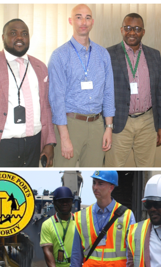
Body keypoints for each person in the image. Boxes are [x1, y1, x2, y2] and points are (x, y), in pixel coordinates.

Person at [0, 19, 56, 167]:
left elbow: (45, 107)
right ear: (3, 37)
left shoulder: (40, 66)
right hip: (1, 145)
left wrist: (49, 142)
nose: (20, 37)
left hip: (34, 143)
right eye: (13, 33)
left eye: (24, 34)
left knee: (27, 186)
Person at [48, 4, 115, 167]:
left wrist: (109, 127)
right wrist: (64, 137)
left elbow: (108, 92)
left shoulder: (102, 54)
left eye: (87, 17)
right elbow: (56, 99)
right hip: (70, 125)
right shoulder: (59, 56)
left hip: (97, 125)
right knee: (64, 176)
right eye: (78, 17)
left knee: (92, 175)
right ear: (71, 21)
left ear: (92, 22)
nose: (83, 22)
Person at [105, 13, 161, 167]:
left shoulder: (154, 55)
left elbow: (160, 91)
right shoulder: (108, 54)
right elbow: (104, 93)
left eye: (137, 28)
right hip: (119, 122)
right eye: (128, 28)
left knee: (146, 168)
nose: (132, 32)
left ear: (143, 32)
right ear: (121, 30)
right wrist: (107, 126)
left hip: (147, 121)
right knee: (114, 169)